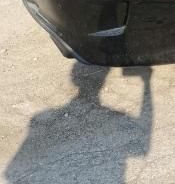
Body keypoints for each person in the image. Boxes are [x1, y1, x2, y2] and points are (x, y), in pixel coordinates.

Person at [4, 63, 153, 183]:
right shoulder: (40, 120)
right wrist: (146, 83)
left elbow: (11, 173)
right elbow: (141, 147)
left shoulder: (40, 118)